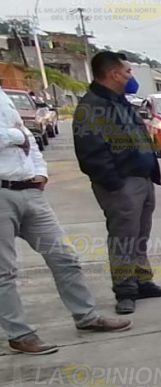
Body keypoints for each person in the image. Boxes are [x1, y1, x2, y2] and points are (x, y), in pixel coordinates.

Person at [0, 84, 132, 355]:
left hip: (30, 191)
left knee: (64, 257)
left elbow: (31, 141)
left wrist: (41, 171)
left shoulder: (3, 96)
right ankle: (20, 333)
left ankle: (86, 316)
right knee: (4, 271)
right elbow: (20, 135)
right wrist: (16, 135)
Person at [73, 51, 161, 315]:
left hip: (142, 179)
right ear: (113, 74)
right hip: (121, 185)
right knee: (123, 238)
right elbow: (90, 153)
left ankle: (142, 281)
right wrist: (115, 184)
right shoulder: (92, 106)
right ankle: (125, 290)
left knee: (140, 234)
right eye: (128, 71)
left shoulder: (120, 102)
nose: (131, 77)